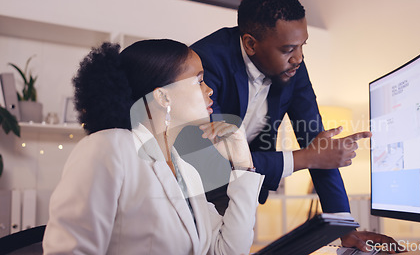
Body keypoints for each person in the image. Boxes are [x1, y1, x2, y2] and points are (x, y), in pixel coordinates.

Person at [190, 0, 403, 252]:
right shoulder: (207, 60)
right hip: (194, 183)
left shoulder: (294, 67)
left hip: (243, 185)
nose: (299, 58)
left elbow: (318, 143)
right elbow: (215, 157)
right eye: (288, 49)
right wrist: (306, 158)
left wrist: (344, 227)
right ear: (250, 44)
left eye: (303, 46)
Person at [43, 40, 264, 254]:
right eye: (199, 81)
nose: (209, 90)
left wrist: (243, 165)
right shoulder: (110, 147)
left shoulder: (187, 172)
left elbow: (227, 251)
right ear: (163, 97)